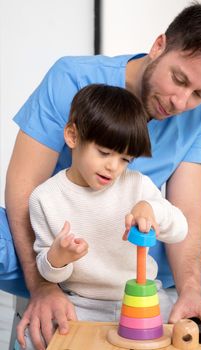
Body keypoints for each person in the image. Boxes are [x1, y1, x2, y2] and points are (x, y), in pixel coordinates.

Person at [2, 2, 201, 349]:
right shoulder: (71, 76)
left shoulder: (197, 115)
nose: (181, 102)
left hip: (140, 248)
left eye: (200, 94)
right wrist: (43, 287)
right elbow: (23, 187)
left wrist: (190, 289)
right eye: (179, 79)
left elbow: (185, 211)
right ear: (159, 46)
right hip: (61, 248)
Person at [21, 83, 188, 349]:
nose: (113, 167)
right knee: (37, 339)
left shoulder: (137, 186)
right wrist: (58, 258)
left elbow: (180, 229)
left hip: (145, 300)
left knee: (182, 336)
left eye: (124, 159)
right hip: (81, 305)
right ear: (73, 136)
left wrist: (152, 209)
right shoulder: (45, 198)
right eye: (104, 153)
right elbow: (46, 270)